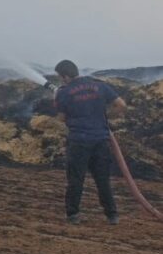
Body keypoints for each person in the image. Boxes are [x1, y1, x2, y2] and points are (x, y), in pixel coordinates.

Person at [54, 60, 127, 225]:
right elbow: (121, 105)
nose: (60, 80)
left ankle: (73, 215)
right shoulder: (99, 86)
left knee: (76, 179)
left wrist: (56, 101)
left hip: (79, 141)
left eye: (60, 77)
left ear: (65, 76)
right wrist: (106, 117)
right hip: (101, 140)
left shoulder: (64, 92)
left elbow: (61, 119)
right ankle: (112, 215)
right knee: (103, 179)